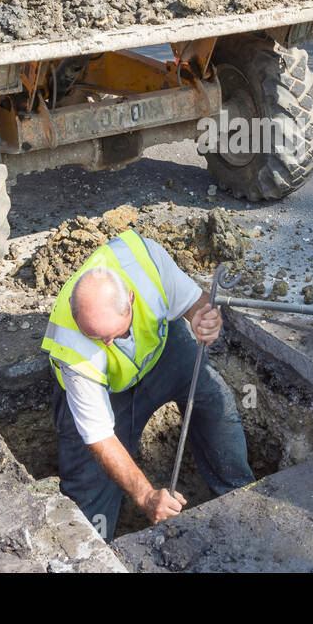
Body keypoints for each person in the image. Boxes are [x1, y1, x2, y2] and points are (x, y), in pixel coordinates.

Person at [41, 228, 255, 541]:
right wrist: (145, 497)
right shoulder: (73, 347)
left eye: (113, 333)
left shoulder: (145, 262)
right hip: (107, 390)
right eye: (98, 338)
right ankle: (96, 553)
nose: (109, 344)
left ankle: (239, 498)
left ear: (129, 298)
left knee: (212, 401)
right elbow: (100, 437)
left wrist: (202, 318)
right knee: (92, 486)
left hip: (160, 353)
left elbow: (195, 301)